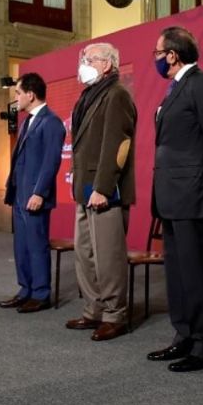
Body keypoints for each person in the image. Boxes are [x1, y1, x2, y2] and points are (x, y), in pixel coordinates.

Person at [146, 26, 203, 372]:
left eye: (157, 53)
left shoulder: (201, 83)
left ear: (172, 54)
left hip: (194, 193)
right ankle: (183, 335)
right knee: (178, 272)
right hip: (171, 195)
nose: (155, 58)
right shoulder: (174, 89)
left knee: (196, 272)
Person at [64, 43, 137, 341]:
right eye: (83, 58)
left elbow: (117, 144)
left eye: (89, 59)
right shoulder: (89, 95)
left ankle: (115, 315)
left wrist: (104, 188)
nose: (83, 63)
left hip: (105, 190)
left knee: (108, 256)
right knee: (85, 253)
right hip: (84, 188)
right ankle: (93, 309)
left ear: (107, 64)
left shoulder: (117, 94)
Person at [0, 73, 66, 313]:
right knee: (21, 246)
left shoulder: (52, 122)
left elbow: (51, 162)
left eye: (18, 93)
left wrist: (39, 193)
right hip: (19, 194)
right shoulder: (28, 121)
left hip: (35, 196)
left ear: (31, 94)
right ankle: (25, 290)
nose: (15, 98)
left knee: (37, 245)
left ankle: (41, 293)